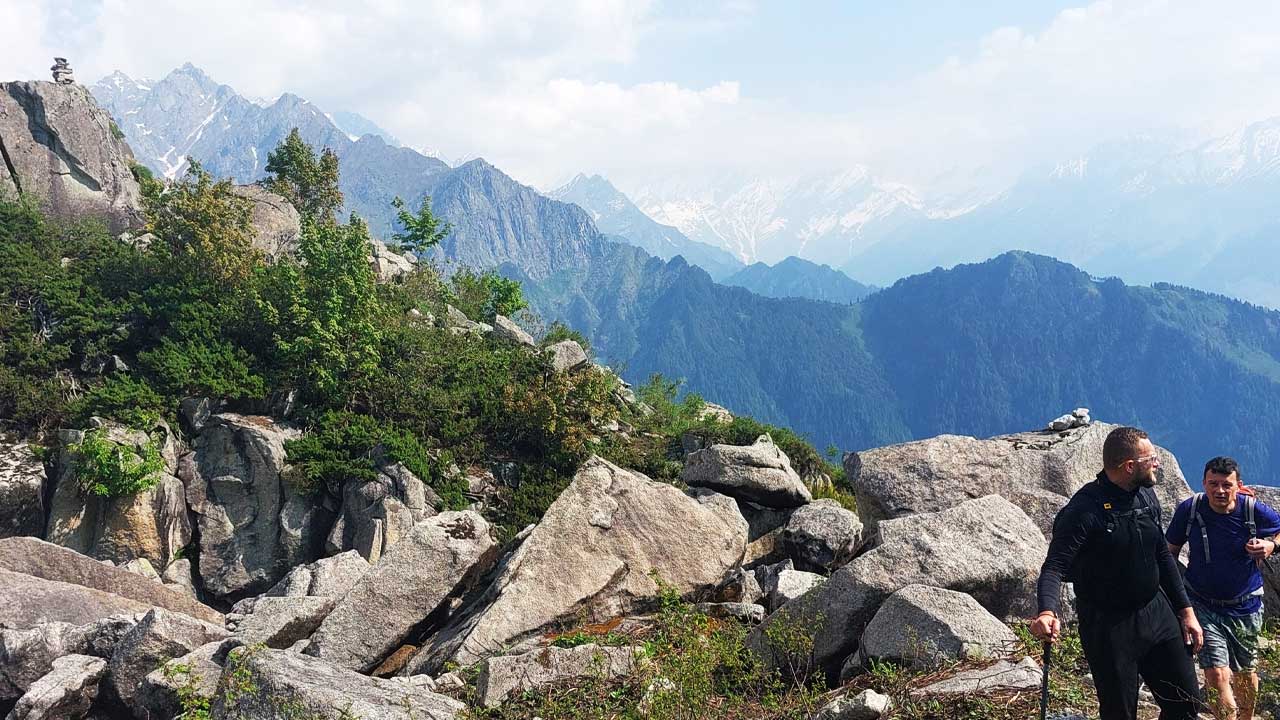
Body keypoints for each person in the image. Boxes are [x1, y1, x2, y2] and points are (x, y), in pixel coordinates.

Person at [1031, 426, 1204, 720]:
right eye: (1151, 458)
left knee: (1185, 704)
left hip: (1156, 612)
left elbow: (1161, 554)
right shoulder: (1085, 511)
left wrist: (1186, 611)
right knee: (1119, 713)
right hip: (1108, 627)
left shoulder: (1145, 496)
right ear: (1129, 466)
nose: (1157, 463)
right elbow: (1054, 566)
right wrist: (1047, 611)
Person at [1166, 456, 1280, 720]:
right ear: (1203, 483)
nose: (1219, 490)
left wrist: (1271, 545)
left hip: (1245, 605)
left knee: (1244, 674)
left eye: (1226, 485)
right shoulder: (1190, 510)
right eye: (1213, 484)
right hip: (1203, 604)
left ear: (1238, 486)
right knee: (1216, 674)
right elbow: (1169, 551)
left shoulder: (1252, 510)